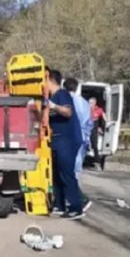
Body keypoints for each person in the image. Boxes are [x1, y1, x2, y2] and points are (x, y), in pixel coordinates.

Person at [46, 68, 84, 219]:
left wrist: (53, 106)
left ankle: (76, 206)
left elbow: (68, 112)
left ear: (50, 80)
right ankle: (59, 204)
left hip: (67, 140)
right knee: (56, 173)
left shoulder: (62, 94)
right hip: (56, 139)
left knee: (66, 173)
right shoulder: (52, 96)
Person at [64, 77, 93, 211]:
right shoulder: (85, 103)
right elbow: (89, 124)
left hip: (69, 139)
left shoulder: (65, 101)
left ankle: (80, 200)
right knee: (74, 171)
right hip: (81, 140)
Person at [89, 97, 107, 169]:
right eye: (89, 102)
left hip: (94, 129)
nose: (89, 104)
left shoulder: (99, 110)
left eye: (91, 103)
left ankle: (97, 163)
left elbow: (104, 118)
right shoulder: (86, 109)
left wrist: (104, 126)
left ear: (94, 103)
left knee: (95, 146)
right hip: (86, 129)